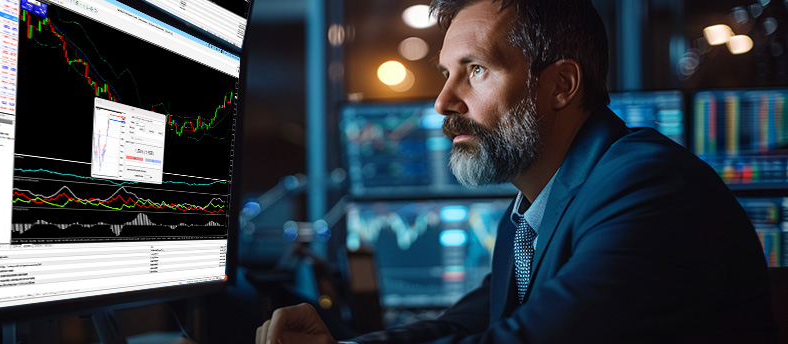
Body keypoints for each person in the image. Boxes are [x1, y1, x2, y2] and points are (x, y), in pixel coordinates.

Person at [256, 0, 778, 343]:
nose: (442, 102)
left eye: (476, 70)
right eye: (446, 74)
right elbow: (472, 320)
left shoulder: (650, 189)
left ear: (561, 85)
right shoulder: (530, 213)